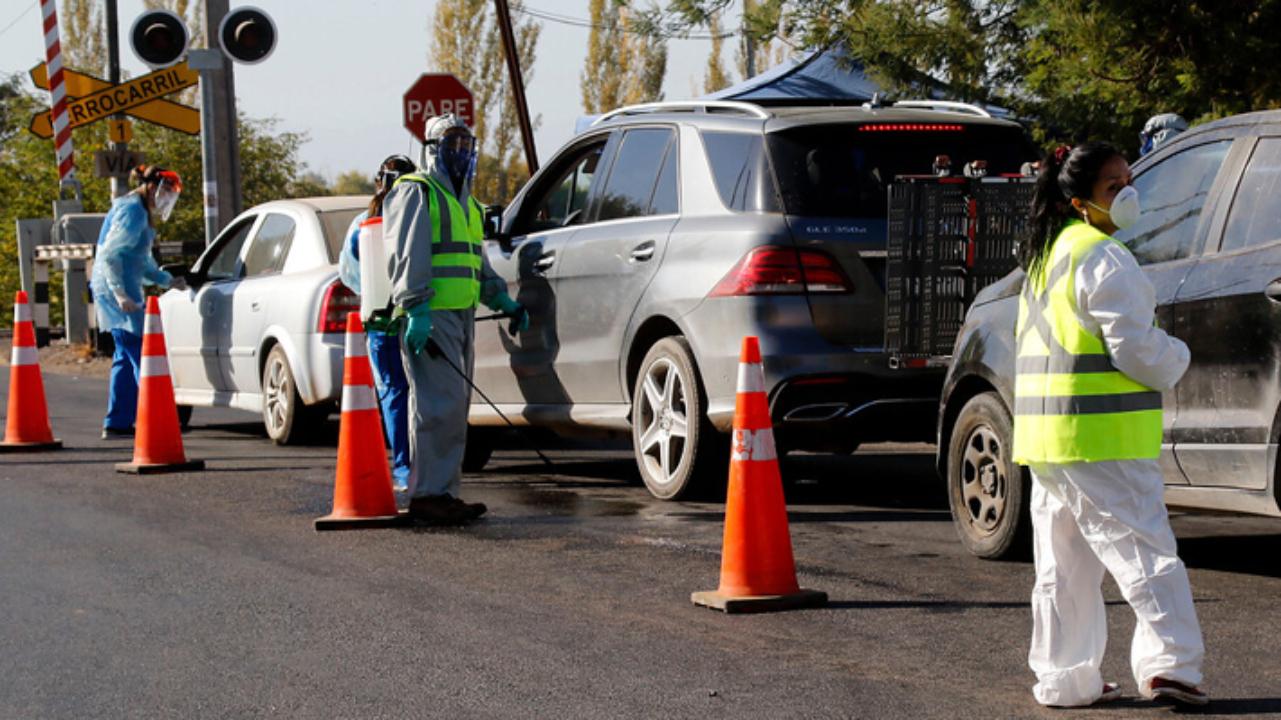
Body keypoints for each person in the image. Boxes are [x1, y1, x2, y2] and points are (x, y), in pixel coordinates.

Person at [1015, 142, 1207, 708]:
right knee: (1144, 552)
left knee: (1063, 567)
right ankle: (1173, 666)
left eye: (1129, 180)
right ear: (1079, 202)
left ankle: (1065, 678)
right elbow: (1135, 348)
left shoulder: (1048, 256)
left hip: (1050, 440)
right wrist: (1178, 355)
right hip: (1102, 439)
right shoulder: (1102, 255)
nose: (1128, 194)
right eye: (1113, 187)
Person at [384, 113, 529, 525]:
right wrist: (416, 308)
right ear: (433, 150)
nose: (462, 153)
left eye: (467, 145)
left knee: (452, 407)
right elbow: (409, 253)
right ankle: (428, 494)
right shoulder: (417, 192)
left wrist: (503, 299)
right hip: (431, 314)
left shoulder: (466, 202)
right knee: (436, 407)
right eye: (453, 145)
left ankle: (444, 492)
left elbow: (474, 260)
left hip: (460, 315)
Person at [339, 155, 417, 492]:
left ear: (378, 182)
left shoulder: (363, 224)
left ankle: (403, 467)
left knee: (393, 392)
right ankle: (420, 463)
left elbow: (349, 273)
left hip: (380, 319)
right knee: (421, 391)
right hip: (415, 314)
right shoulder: (418, 217)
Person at [92, 165, 187, 440]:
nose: (166, 198)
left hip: (121, 288)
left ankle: (118, 422)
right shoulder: (132, 211)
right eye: (165, 191)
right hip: (116, 291)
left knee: (125, 354)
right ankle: (155, 418)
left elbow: (141, 262)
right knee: (140, 353)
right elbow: (110, 257)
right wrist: (120, 293)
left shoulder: (139, 211)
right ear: (151, 187)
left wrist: (166, 279)